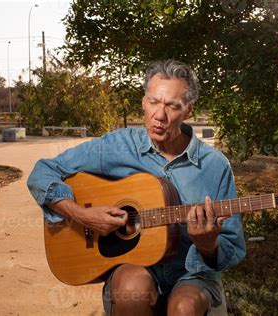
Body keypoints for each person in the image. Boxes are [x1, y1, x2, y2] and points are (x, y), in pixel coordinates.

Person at [27, 59, 246, 315]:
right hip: (132, 267)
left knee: (183, 307)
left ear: (188, 110)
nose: (159, 115)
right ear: (144, 102)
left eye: (172, 106)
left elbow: (233, 247)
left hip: (192, 274)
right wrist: (82, 214)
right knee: (132, 288)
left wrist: (208, 245)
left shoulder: (215, 166)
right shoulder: (117, 146)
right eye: (153, 102)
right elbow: (43, 172)